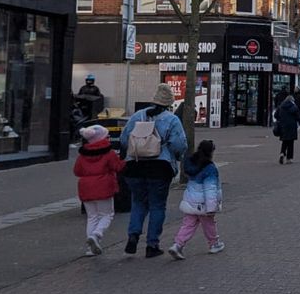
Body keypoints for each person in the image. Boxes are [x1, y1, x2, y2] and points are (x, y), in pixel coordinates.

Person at [120, 84, 188, 258]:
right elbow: (179, 145)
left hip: (134, 167)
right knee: (157, 205)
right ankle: (152, 245)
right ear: (169, 104)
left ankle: (133, 235)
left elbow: (124, 139)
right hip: (159, 168)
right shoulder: (172, 120)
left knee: (138, 203)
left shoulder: (137, 116)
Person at [73, 124, 125, 256]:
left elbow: (77, 171)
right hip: (103, 185)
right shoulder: (109, 153)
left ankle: (90, 248)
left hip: (85, 187)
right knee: (107, 214)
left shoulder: (83, 154)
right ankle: (97, 234)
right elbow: (118, 167)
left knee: (92, 217)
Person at [168, 140, 224, 259]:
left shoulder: (192, 164)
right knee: (209, 225)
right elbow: (210, 190)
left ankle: (177, 244)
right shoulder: (209, 169)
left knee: (188, 225)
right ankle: (214, 244)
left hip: (191, 201)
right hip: (203, 204)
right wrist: (211, 207)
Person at [274, 94, 300, 164]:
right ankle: (289, 158)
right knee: (291, 142)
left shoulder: (281, 106)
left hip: (283, 126)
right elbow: (299, 118)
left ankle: (282, 153)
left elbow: (275, 115)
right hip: (292, 126)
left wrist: (281, 119)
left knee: (284, 141)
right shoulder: (294, 107)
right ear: (292, 100)